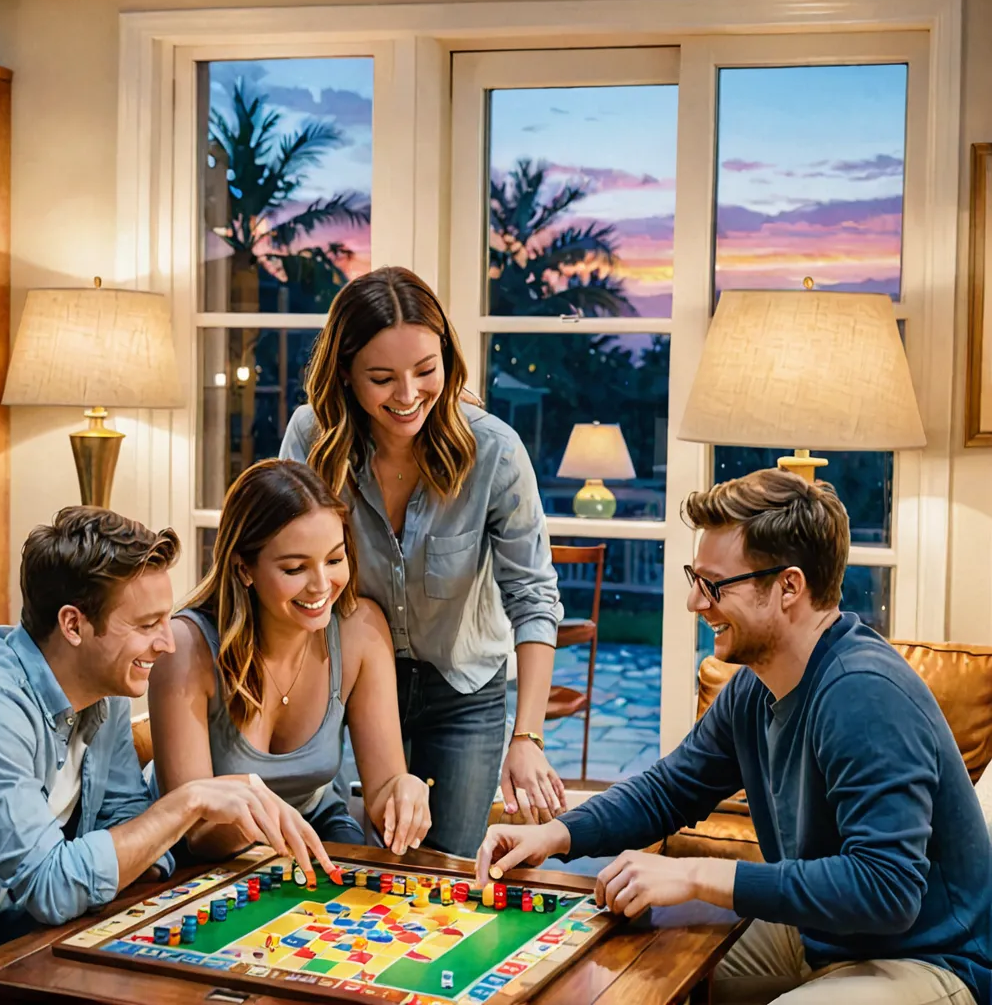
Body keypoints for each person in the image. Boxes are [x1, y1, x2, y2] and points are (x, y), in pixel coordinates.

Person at [476, 469, 992, 1005]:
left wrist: (697, 874)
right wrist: (553, 836)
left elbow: (886, 889)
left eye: (715, 585)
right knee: (629, 971)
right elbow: (667, 790)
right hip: (823, 938)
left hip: (930, 959)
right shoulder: (755, 687)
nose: (695, 604)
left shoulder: (863, 693)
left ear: (789, 586)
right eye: (694, 579)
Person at [0, 506, 334, 1005]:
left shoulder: (104, 691)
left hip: (25, 939)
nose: (166, 644)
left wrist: (152, 839)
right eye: (147, 624)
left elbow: (125, 821)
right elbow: (52, 886)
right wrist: (188, 802)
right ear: (74, 624)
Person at [279, 265, 566, 857]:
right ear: (346, 377)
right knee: (326, 861)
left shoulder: (494, 451)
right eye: (382, 378)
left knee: (444, 873)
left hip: (462, 693)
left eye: (426, 371)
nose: (408, 396)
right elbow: (278, 560)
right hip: (338, 682)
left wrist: (528, 737)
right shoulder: (311, 437)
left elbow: (533, 597)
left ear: (447, 362)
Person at [149, 458, 431, 858]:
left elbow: (384, 788)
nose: (321, 585)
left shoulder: (361, 631)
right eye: (295, 568)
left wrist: (403, 792)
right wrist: (269, 827)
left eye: (335, 560)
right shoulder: (185, 647)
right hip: (204, 850)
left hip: (315, 823)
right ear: (244, 568)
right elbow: (194, 831)